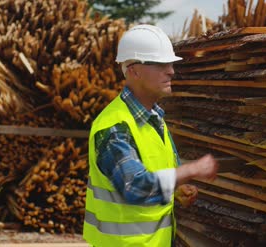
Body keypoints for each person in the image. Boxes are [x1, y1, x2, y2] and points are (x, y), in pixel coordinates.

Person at [83, 24, 219, 247]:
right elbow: (135, 188)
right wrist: (192, 170)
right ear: (133, 70)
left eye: (171, 64)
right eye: (160, 64)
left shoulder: (154, 119)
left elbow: (155, 173)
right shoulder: (115, 127)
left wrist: (176, 190)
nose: (171, 71)